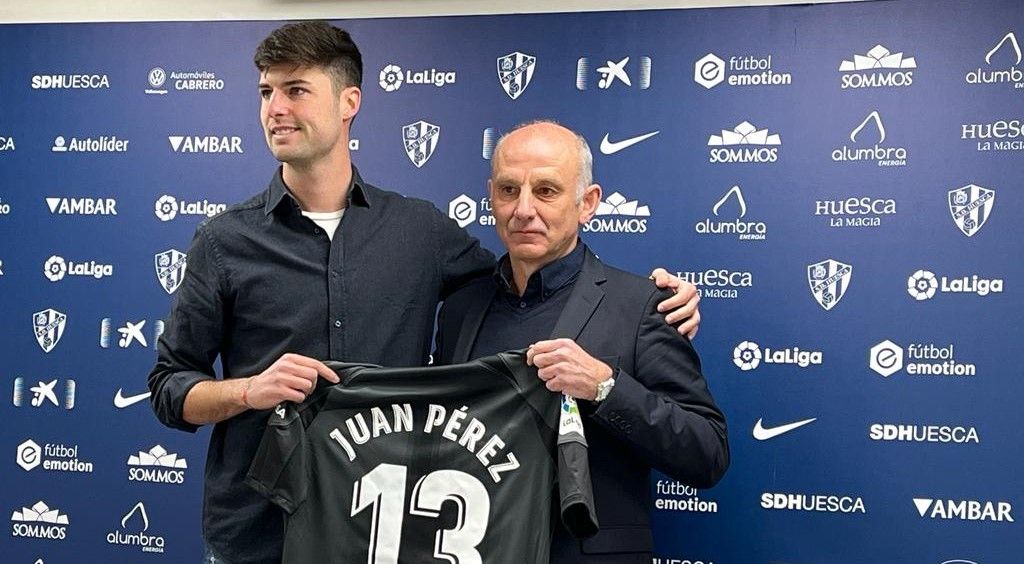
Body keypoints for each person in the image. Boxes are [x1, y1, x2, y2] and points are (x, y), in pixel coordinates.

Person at [147, 22, 701, 564]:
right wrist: (248, 391)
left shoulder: (422, 232)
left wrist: (648, 296)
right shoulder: (222, 241)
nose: (275, 109)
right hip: (256, 531)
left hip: (385, 534)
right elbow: (170, 389)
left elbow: (531, 278)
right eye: (266, 92)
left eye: (296, 90)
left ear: (349, 103)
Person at [434, 120, 729, 563]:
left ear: (587, 203)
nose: (523, 210)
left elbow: (707, 452)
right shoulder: (461, 309)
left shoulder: (642, 306)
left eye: (547, 191)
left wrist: (606, 389)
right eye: (509, 190)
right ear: (491, 195)